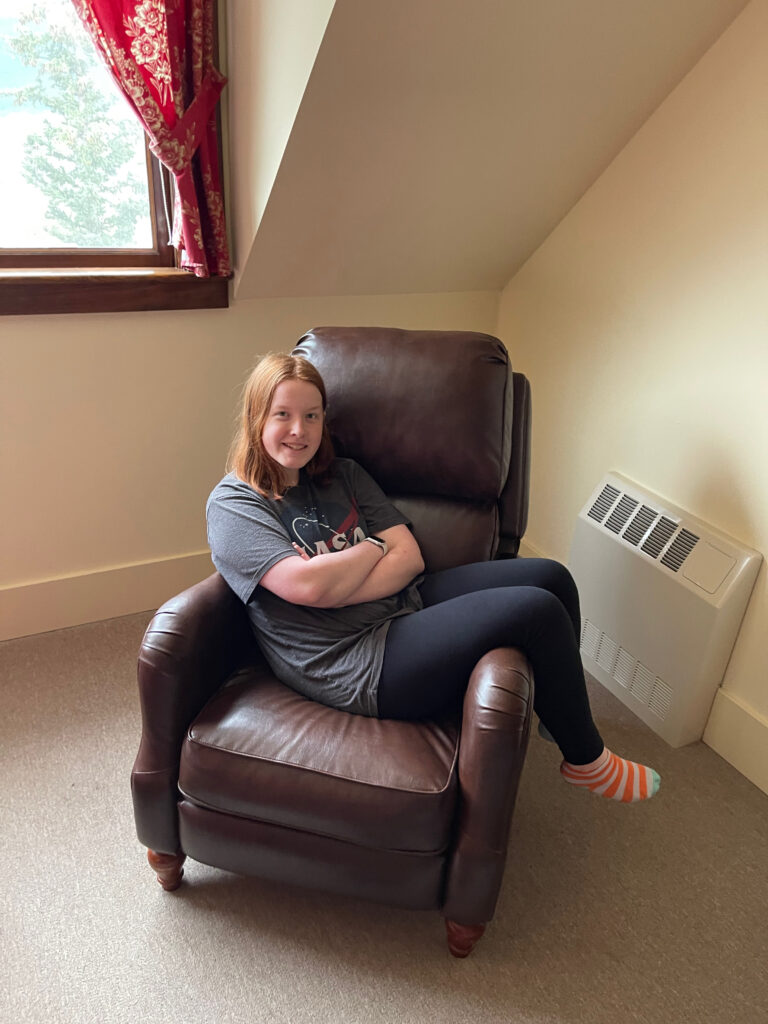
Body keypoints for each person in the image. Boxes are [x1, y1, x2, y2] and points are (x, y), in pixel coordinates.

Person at [207, 353, 660, 803]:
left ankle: (557, 713)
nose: (298, 431)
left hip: (403, 602)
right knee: (537, 611)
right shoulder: (236, 504)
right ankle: (586, 761)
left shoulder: (343, 474)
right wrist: (371, 548)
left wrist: (340, 582)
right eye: (282, 415)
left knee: (552, 578)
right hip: (352, 659)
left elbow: (410, 557)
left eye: (312, 415)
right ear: (256, 417)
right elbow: (306, 587)